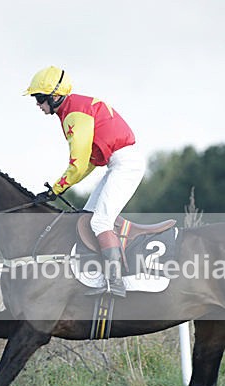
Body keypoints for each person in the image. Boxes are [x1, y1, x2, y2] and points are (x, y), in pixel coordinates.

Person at [25, 66, 145, 297]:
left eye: (40, 98)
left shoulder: (74, 114)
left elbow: (79, 164)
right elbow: (89, 162)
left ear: (55, 96)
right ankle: (94, 273)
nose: (38, 104)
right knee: (87, 217)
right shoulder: (75, 108)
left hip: (125, 164)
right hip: (118, 163)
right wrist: (60, 188)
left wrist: (57, 189)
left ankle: (115, 282)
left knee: (100, 223)